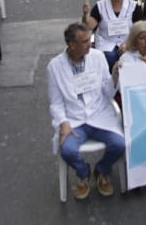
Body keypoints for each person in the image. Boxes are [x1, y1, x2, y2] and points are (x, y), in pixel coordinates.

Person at [48, 22, 124, 201]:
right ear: (71, 44)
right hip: (74, 120)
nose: (90, 44)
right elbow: (56, 103)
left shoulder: (97, 57)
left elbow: (108, 92)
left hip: (99, 114)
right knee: (67, 150)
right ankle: (84, 174)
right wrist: (63, 123)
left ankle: (101, 171)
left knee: (120, 144)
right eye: (85, 42)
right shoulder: (54, 67)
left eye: (90, 39)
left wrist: (114, 76)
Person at [84, 0, 138, 67]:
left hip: (128, 41)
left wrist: (128, 43)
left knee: (128, 58)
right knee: (110, 57)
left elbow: (139, 28)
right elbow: (89, 26)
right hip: (106, 42)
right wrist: (85, 15)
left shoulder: (133, 6)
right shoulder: (100, 5)